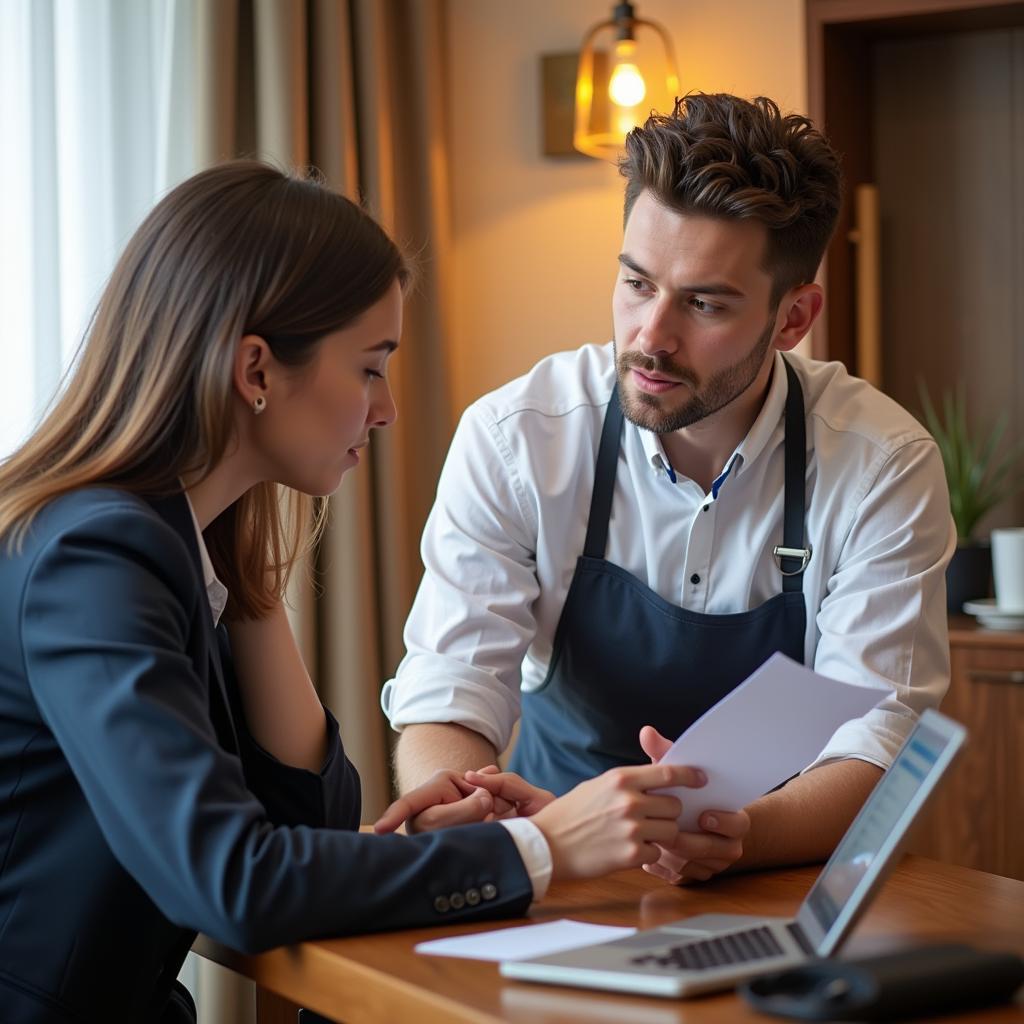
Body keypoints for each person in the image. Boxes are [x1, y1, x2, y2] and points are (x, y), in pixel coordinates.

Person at [0, 161, 706, 1024]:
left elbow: (313, 825)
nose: (388, 410)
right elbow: (235, 882)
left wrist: (247, 575)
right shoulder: (96, 557)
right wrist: (542, 847)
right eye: (371, 368)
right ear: (255, 368)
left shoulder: (178, 541)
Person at [381, 93, 955, 884]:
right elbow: (452, 685)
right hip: (557, 870)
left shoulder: (881, 465)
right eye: (638, 284)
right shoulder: (518, 437)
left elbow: (876, 739)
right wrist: (457, 803)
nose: (651, 337)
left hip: (776, 873)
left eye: (704, 303)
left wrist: (732, 836)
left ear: (794, 318)